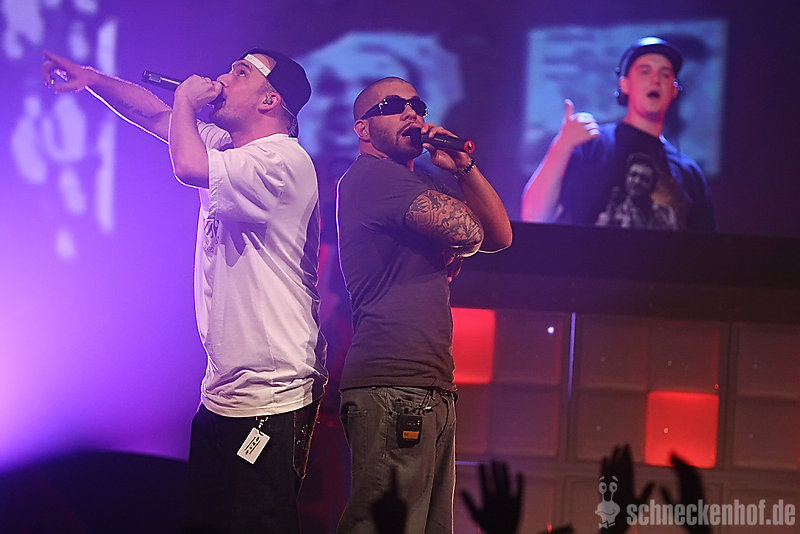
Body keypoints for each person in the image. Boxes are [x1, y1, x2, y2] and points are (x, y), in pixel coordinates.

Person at [41, 47, 327, 533]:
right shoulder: (230, 148)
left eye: (239, 72)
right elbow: (154, 114)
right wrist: (91, 79)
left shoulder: (281, 162)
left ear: (270, 99)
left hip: (272, 393)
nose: (223, 77)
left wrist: (187, 103)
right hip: (223, 390)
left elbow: (188, 166)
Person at [335, 76, 513, 533]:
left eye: (417, 104)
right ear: (362, 128)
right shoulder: (372, 178)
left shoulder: (421, 184)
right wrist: (459, 239)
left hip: (427, 384)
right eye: (393, 105)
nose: (412, 112)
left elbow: (498, 235)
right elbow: (470, 232)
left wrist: (463, 168)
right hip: (393, 385)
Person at [521, 37, 716, 232]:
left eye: (665, 74)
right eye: (645, 71)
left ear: (674, 90)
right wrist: (562, 144)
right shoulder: (592, 144)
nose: (655, 80)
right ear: (624, 85)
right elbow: (533, 214)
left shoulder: (689, 174)